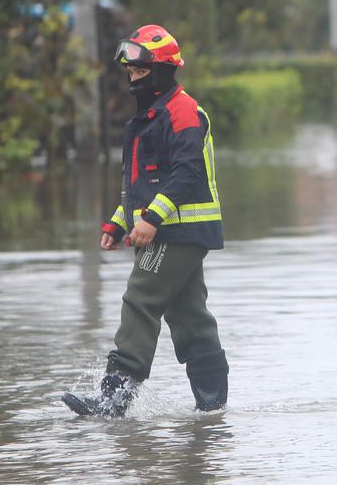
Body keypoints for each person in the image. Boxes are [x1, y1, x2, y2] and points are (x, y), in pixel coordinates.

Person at [63, 24, 228, 417]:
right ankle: (213, 410)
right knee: (190, 316)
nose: (133, 80)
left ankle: (113, 402)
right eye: (131, 74)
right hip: (174, 229)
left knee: (140, 299)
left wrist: (152, 219)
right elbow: (143, 184)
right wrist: (119, 221)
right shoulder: (150, 117)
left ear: (164, 71)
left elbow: (187, 174)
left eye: (140, 73)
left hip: (178, 230)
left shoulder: (182, 110)